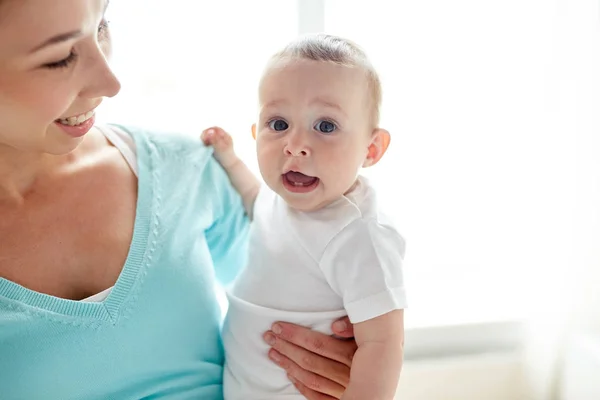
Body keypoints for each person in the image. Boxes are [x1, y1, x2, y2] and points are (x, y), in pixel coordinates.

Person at [0, 1, 358, 399]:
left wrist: (338, 357)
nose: (109, 81)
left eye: (101, 27)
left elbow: (304, 296)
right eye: (61, 57)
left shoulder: (184, 169)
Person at [201, 34, 407, 399]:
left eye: (325, 126)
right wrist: (230, 161)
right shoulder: (280, 199)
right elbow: (255, 199)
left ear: (371, 148)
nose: (294, 144)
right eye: (278, 124)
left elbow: (383, 343)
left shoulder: (357, 234)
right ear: (256, 132)